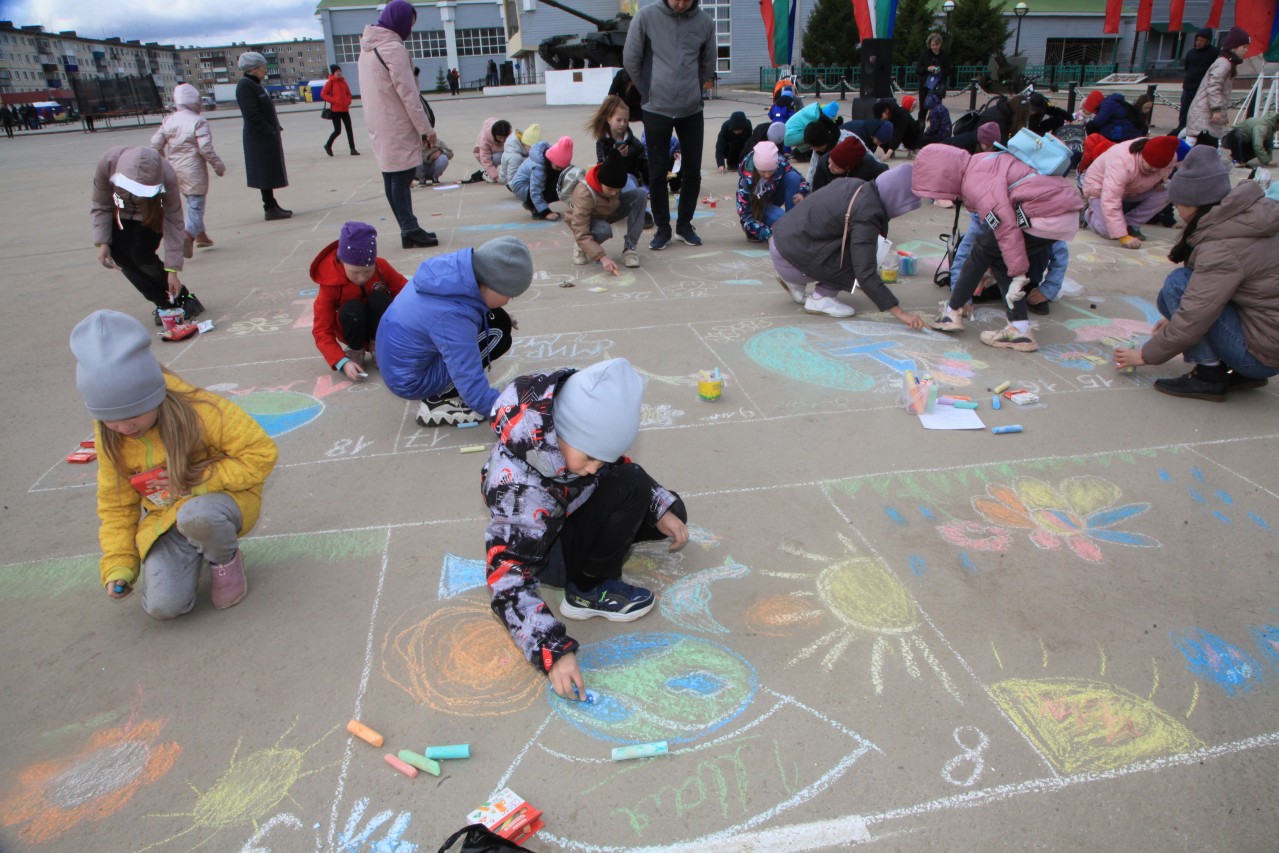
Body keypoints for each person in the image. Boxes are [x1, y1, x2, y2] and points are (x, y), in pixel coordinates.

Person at [482, 358, 688, 698]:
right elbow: (506, 576)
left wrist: (660, 506)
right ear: (559, 430)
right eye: (591, 457)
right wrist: (553, 651)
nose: (594, 468)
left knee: (667, 507)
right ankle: (588, 590)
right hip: (547, 551)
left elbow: (610, 465)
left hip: (566, 509)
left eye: (601, 458)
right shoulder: (519, 491)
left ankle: (636, 515)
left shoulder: (565, 436)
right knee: (631, 484)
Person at [70, 309, 278, 619]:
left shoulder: (201, 410)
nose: (125, 428)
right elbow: (115, 505)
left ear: (153, 395)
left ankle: (224, 559)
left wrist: (196, 479)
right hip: (165, 519)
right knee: (164, 607)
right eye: (111, 420)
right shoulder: (110, 436)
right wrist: (119, 563)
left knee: (199, 516)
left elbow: (261, 454)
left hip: (219, 504)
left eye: (134, 414)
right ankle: (193, 549)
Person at [1115, 145, 1279, 400]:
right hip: (1268, 342)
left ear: (1192, 203)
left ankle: (1208, 376)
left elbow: (1195, 315)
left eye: (1178, 202)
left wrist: (1145, 355)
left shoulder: (1222, 245)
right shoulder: (1247, 217)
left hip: (1261, 355)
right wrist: (1173, 318)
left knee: (1178, 285)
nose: (1177, 209)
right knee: (1173, 298)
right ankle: (1240, 373)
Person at [913, 144, 1084, 352]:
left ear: (944, 174)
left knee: (983, 249)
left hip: (1044, 214)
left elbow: (1004, 226)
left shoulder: (975, 181)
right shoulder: (981, 162)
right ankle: (1018, 330)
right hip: (1061, 212)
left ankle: (952, 312)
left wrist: (1018, 272)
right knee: (995, 255)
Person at [377, 236, 530, 426]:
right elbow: (467, 376)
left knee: (499, 320)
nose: (509, 300)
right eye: (510, 295)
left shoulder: (453, 275)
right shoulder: (452, 315)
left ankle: (442, 389)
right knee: (497, 335)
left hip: (400, 363)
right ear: (492, 285)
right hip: (411, 381)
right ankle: (438, 399)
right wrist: (510, 413)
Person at [770, 165, 927, 325]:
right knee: (859, 255)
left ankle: (796, 284)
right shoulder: (867, 213)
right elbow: (864, 272)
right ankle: (822, 298)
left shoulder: (856, 185)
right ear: (897, 197)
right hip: (791, 261)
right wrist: (900, 313)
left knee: (848, 241)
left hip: (781, 244)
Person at [623, 0, 716, 250]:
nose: (681, 3)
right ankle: (662, 229)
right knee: (656, 173)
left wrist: (693, 90)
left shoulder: (704, 22)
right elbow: (631, 59)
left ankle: (684, 225)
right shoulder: (645, 17)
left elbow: (708, 63)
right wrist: (650, 91)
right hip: (656, 108)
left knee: (692, 171)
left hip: (691, 109)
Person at [92, 146, 204, 325]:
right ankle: (162, 301)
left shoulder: (166, 176)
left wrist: (172, 270)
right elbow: (101, 204)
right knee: (122, 257)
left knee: (141, 255)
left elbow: (173, 223)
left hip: (151, 214)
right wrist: (103, 242)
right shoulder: (108, 163)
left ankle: (183, 297)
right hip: (121, 214)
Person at [357, 0, 438, 249]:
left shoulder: (367, 48)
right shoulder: (393, 48)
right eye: (409, 24)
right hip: (396, 122)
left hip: (378, 122)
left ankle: (408, 227)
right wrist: (426, 128)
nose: (409, 30)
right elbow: (408, 94)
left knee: (392, 177)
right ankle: (410, 229)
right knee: (401, 178)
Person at [310, 222, 407, 381]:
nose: (362, 278)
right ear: (341, 261)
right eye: (355, 272)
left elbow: (406, 294)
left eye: (368, 270)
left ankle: (380, 347)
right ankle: (356, 350)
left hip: (380, 326)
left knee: (381, 299)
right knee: (352, 308)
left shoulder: (381, 267)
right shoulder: (329, 283)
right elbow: (321, 329)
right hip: (351, 325)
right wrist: (341, 361)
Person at [149, 83, 227, 258]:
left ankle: (201, 236)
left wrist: (161, 164)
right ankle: (188, 235)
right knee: (196, 206)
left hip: (173, 169)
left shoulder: (169, 120)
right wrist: (218, 166)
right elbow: (205, 148)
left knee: (191, 204)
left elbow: (155, 144)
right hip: (193, 169)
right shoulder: (198, 121)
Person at [1082, 135, 1178, 248]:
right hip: (1100, 190)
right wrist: (1122, 236)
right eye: (1151, 167)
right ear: (1142, 156)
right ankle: (1089, 213)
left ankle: (1132, 223)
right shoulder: (1122, 161)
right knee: (1110, 232)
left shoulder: (1170, 157)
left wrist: (1161, 181)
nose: (1154, 171)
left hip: (1132, 190)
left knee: (1169, 188)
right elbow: (1111, 199)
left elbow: (1166, 171)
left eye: (1158, 168)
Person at [565, 150, 646, 271]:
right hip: (584, 221)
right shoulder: (584, 193)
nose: (614, 193)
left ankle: (629, 249)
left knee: (640, 194)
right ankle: (581, 246)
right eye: (610, 189)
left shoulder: (615, 183)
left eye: (617, 190)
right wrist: (602, 257)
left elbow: (625, 192)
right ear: (600, 181)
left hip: (608, 211)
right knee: (603, 230)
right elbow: (580, 229)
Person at [235, 52, 291, 221]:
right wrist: (269, 130)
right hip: (259, 138)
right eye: (263, 67)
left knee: (268, 171)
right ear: (253, 69)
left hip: (266, 136)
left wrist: (275, 127)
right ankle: (269, 207)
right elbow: (252, 114)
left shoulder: (256, 84)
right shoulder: (245, 86)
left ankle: (272, 204)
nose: (265, 70)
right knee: (264, 171)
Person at [735, 141, 809, 243]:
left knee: (793, 177)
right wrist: (768, 234)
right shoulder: (747, 180)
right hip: (759, 205)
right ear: (756, 167)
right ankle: (787, 227)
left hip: (773, 195)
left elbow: (802, 181)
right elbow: (745, 216)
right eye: (763, 171)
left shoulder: (780, 161)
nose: (767, 175)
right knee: (782, 220)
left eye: (771, 171)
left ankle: (793, 221)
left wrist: (801, 192)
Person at [1186, 27, 1250, 144]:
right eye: (1244, 47)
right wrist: (1216, 110)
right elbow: (1214, 86)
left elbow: (1222, 92)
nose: (1246, 50)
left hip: (1206, 113)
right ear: (1234, 47)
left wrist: (1222, 115)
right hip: (1205, 113)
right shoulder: (1224, 64)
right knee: (1198, 144)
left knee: (1202, 145)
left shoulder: (1228, 63)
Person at [590, 97, 648, 190]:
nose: (622, 124)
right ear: (609, 119)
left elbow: (642, 167)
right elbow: (602, 166)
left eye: (625, 121)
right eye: (619, 120)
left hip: (629, 178)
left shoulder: (634, 143)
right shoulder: (602, 141)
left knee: (628, 184)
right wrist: (616, 156)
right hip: (609, 179)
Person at [509, 136, 573, 220]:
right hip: (522, 188)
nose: (559, 169)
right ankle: (535, 207)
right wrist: (545, 211)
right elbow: (535, 190)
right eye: (558, 167)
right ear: (551, 159)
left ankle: (534, 204)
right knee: (558, 188)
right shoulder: (539, 167)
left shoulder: (550, 158)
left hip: (530, 185)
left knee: (563, 179)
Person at [810, 134, 888, 191]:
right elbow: (816, 192)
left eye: (835, 167)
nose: (830, 166)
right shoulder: (824, 162)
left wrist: (867, 188)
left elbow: (885, 172)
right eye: (830, 162)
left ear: (848, 168)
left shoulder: (867, 163)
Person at [1177, 28, 1217, 134]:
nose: (1198, 43)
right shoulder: (1191, 53)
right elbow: (1187, 67)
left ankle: (1196, 129)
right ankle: (1182, 127)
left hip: (1201, 88)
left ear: (1207, 41)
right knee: (1184, 108)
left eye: (1202, 41)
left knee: (1198, 110)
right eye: (1197, 40)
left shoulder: (1214, 53)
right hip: (1188, 86)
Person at [321, 64, 360, 157]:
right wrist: (334, 101)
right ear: (333, 73)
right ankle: (328, 145)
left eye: (339, 71)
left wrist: (348, 101)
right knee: (337, 130)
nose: (339, 72)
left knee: (349, 129)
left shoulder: (343, 82)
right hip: (335, 110)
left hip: (345, 109)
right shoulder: (330, 82)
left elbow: (349, 94)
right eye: (337, 71)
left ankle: (352, 149)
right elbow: (323, 94)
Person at [474, 118, 511, 182]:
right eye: (500, 137)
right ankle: (486, 173)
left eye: (505, 137)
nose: (502, 140)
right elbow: (486, 160)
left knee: (513, 155)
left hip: (501, 151)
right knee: (498, 157)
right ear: (494, 134)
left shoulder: (510, 134)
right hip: (484, 156)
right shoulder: (484, 140)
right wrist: (496, 177)